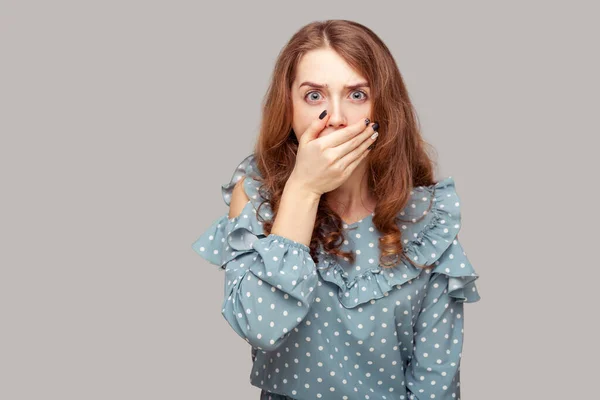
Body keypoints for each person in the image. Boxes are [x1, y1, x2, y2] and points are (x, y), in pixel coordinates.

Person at [191, 19, 481, 400]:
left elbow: (436, 384)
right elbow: (260, 325)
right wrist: (304, 188)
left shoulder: (428, 219)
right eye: (314, 97)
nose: (337, 117)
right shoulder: (256, 198)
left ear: (383, 106)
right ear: (289, 107)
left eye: (357, 95)